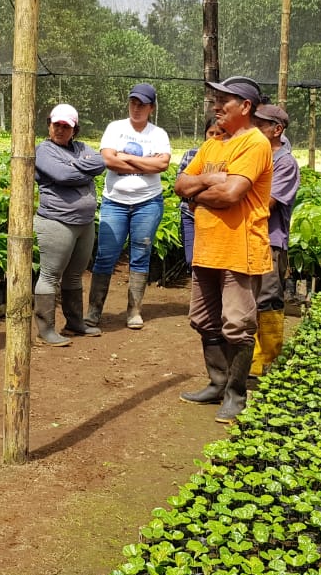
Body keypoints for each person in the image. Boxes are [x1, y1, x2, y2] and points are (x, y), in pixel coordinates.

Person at [175, 76, 273, 424]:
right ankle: (217, 383)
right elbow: (179, 184)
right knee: (203, 319)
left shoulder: (255, 144)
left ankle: (236, 394)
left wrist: (195, 196)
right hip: (207, 248)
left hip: (239, 249)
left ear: (245, 106)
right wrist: (208, 181)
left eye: (224, 101)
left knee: (237, 324)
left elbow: (231, 194)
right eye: (215, 100)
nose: (216, 107)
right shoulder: (213, 145)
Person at [85, 83, 173, 331]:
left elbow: (162, 165)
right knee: (105, 256)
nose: (137, 108)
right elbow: (108, 160)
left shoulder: (158, 134)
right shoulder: (116, 128)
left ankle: (134, 311)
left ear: (151, 108)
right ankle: (94, 310)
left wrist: (125, 156)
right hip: (115, 202)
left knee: (141, 255)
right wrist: (145, 162)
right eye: (133, 103)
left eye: (142, 104)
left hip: (148, 203)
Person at [33, 104, 107, 344]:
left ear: (75, 129)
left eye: (66, 126)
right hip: (57, 221)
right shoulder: (44, 150)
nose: (60, 130)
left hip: (84, 223)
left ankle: (75, 323)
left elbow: (101, 162)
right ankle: (46, 329)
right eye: (57, 125)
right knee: (50, 275)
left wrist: (73, 168)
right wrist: (83, 170)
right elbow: (63, 176)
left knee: (74, 275)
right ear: (49, 125)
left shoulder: (82, 148)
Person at [249, 103, 301, 377]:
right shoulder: (253, 155)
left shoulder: (285, 164)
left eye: (259, 125)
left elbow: (267, 204)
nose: (253, 129)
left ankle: (267, 360)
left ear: (276, 130)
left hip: (270, 241)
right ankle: (250, 358)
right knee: (248, 299)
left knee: (268, 297)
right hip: (247, 236)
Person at [178, 115, 225, 270]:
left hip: (216, 217)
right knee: (192, 260)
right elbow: (181, 187)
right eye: (211, 133)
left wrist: (195, 190)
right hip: (190, 215)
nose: (214, 137)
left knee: (212, 262)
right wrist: (209, 183)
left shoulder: (227, 156)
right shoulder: (191, 154)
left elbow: (225, 188)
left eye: (219, 133)